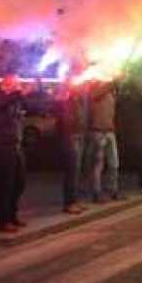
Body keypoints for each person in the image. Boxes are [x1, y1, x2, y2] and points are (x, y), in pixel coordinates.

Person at [0, 74, 28, 233]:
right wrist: (18, 94)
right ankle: (3, 221)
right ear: (6, 84)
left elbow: (27, 106)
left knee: (20, 183)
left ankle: (12, 215)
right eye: (16, 84)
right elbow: (2, 103)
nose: (19, 86)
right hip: (1, 147)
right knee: (5, 185)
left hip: (15, 146)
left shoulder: (13, 99)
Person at [55, 82, 88, 215]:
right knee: (72, 171)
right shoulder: (64, 102)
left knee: (77, 171)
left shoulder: (77, 101)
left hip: (78, 136)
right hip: (70, 138)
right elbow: (63, 121)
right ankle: (69, 203)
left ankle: (74, 200)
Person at [88, 79, 123, 202]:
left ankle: (113, 191)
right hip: (98, 132)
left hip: (109, 132)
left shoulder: (110, 92)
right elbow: (95, 95)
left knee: (114, 164)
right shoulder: (96, 89)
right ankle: (96, 193)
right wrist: (112, 82)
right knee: (98, 165)